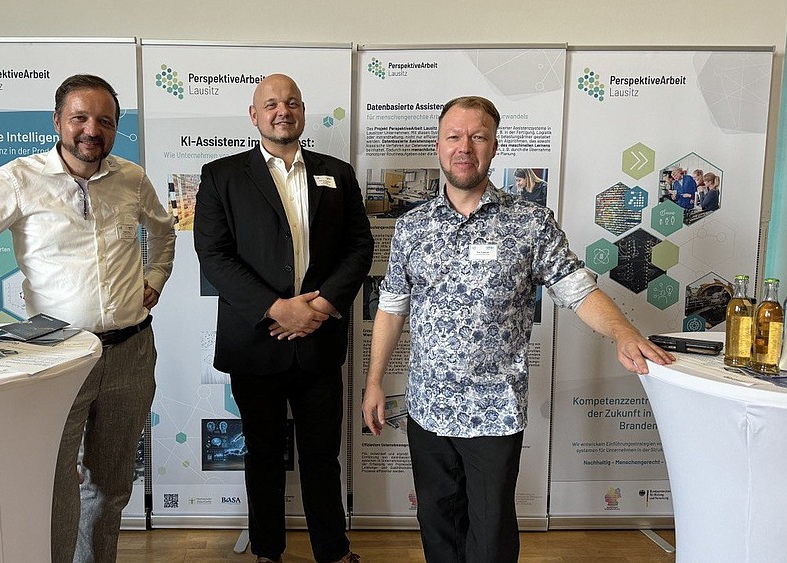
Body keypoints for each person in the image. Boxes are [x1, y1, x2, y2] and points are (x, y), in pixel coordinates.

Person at [361, 96, 675, 563]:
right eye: (454, 136)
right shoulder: (413, 227)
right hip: (427, 409)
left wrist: (623, 332)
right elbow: (392, 307)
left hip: (494, 412)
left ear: (493, 146)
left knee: (489, 539)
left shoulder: (529, 223)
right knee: (438, 528)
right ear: (438, 146)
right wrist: (373, 382)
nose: (464, 146)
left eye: (477, 136)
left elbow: (578, 290)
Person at [0, 74, 176, 563]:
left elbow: (164, 233)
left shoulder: (133, 179)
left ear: (116, 129)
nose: (92, 129)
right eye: (80, 117)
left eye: (105, 121)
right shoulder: (18, 179)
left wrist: (155, 277)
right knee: (56, 489)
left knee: (110, 487)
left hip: (131, 354)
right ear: (57, 121)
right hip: (60, 356)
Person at [193, 73, 373, 563]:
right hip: (256, 342)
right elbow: (213, 254)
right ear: (254, 115)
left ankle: (333, 552)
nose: (282, 111)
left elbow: (360, 247)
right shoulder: (221, 175)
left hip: (318, 340)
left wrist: (317, 308)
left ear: (302, 112)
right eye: (270, 103)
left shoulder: (337, 173)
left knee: (322, 457)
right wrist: (278, 309)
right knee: (263, 456)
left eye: (291, 102)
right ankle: (267, 551)